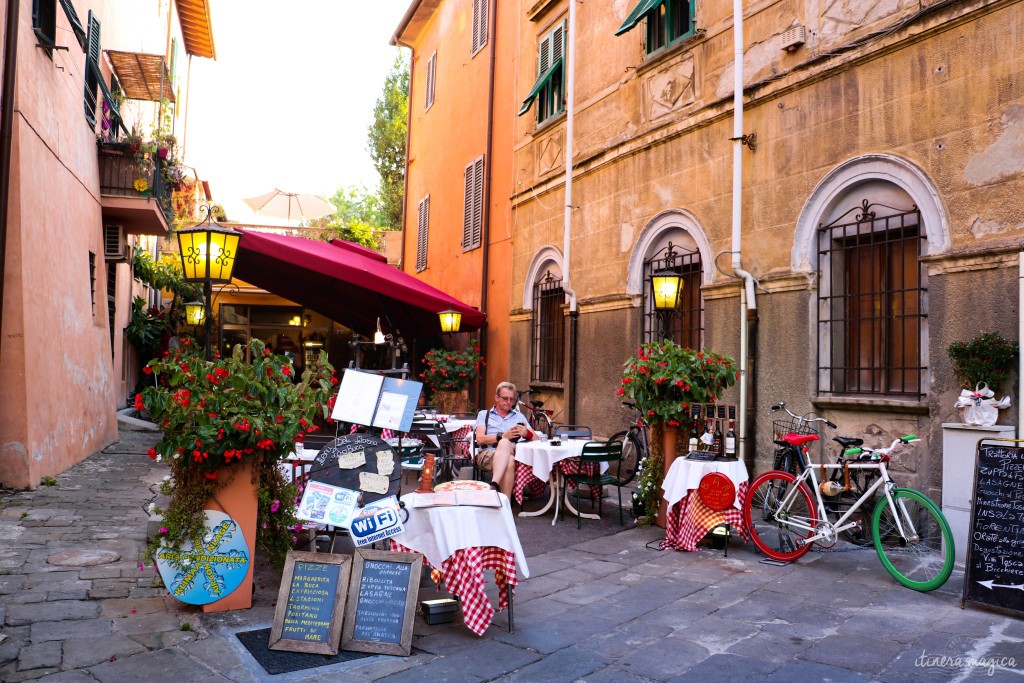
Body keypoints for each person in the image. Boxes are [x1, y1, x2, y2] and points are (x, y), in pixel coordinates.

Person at [474, 381, 535, 497]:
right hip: (487, 454)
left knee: (506, 444)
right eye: (505, 398)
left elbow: (536, 439)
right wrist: (502, 436)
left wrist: (526, 433)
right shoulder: (484, 414)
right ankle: (506, 503)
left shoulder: (519, 416)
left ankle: (494, 484)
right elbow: (480, 439)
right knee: (509, 458)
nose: (509, 402)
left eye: (511, 399)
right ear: (496, 398)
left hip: (515, 453)